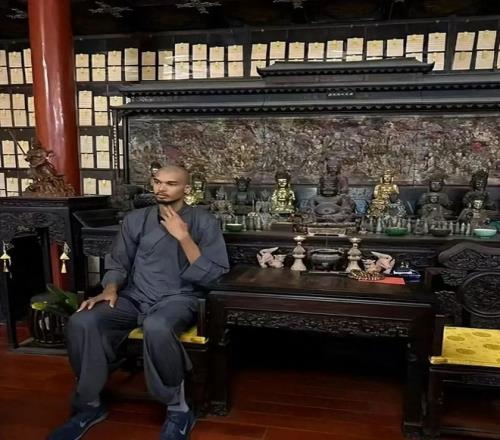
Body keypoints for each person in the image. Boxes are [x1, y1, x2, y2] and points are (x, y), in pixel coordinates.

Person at [48, 165, 229, 440]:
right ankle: (89, 405)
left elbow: (213, 275)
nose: (161, 188)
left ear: (187, 189)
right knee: (82, 320)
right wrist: (110, 289)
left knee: (158, 326)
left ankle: (178, 409)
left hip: (178, 297)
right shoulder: (136, 219)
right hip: (135, 296)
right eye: (157, 182)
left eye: (171, 183)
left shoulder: (203, 221)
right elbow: (119, 262)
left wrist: (183, 236)